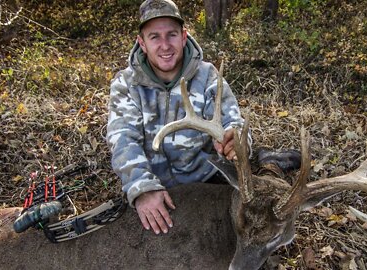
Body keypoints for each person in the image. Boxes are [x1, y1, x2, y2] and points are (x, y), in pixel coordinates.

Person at [106, 0, 300, 235]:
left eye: (172, 35)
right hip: (155, 186)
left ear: (184, 36)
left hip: (207, 182)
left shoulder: (207, 76)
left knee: (257, 221)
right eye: (155, 37)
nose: (165, 45)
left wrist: (234, 141)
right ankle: (266, 158)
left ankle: (269, 164)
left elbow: (233, 123)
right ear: (142, 43)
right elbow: (123, 140)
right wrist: (142, 188)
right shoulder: (126, 84)